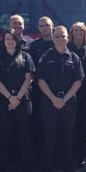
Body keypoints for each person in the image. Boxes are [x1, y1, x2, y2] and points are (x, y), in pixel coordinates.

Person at [35, 26, 84, 172]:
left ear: (67, 38)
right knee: (48, 137)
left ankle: (69, 170)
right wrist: (54, 99)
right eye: (57, 36)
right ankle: (45, 171)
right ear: (53, 38)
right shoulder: (45, 56)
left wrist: (65, 98)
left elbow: (78, 81)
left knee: (68, 137)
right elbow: (40, 80)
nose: (60, 39)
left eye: (63, 36)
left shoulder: (74, 58)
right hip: (49, 102)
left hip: (68, 102)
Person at [0, 30, 35, 172]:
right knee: (2, 136)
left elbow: (28, 79)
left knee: (24, 135)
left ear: (17, 41)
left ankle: (26, 168)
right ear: (3, 41)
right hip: (4, 100)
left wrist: (17, 99)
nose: (10, 41)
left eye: (12, 39)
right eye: (7, 39)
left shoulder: (25, 56)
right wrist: (10, 98)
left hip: (22, 100)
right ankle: (0, 169)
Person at [29, 16, 55, 157]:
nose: (45, 28)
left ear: (52, 26)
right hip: (40, 91)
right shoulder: (34, 46)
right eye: (42, 26)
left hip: (58, 91)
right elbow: (32, 70)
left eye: (47, 25)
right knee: (40, 123)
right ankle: (40, 156)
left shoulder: (59, 42)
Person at [68, 22, 86, 167]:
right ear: (71, 33)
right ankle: (68, 156)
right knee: (70, 126)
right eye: (75, 30)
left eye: (80, 31)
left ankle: (80, 156)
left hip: (85, 93)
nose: (78, 33)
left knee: (83, 126)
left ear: (84, 33)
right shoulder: (66, 48)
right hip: (70, 92)